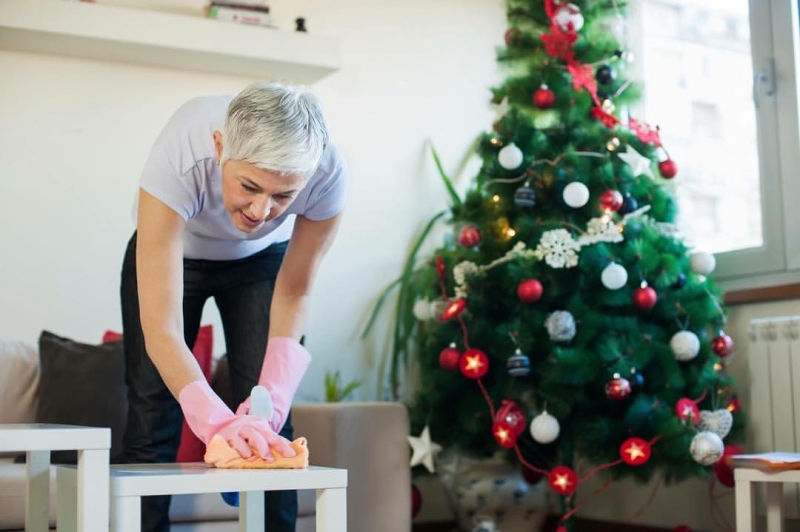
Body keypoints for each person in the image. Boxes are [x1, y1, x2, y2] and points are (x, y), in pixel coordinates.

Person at [120, 81, 346, 532]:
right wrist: (215, 423)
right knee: (151, 415)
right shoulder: (183, 149)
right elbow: (161, 329)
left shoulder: (328, 175)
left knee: (270, 427)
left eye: (284, 197)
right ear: (220, 147)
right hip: (173, 254)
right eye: (249, 186)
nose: (262, 211)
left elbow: (296, 292)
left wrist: (273, 403)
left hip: (259, 266)